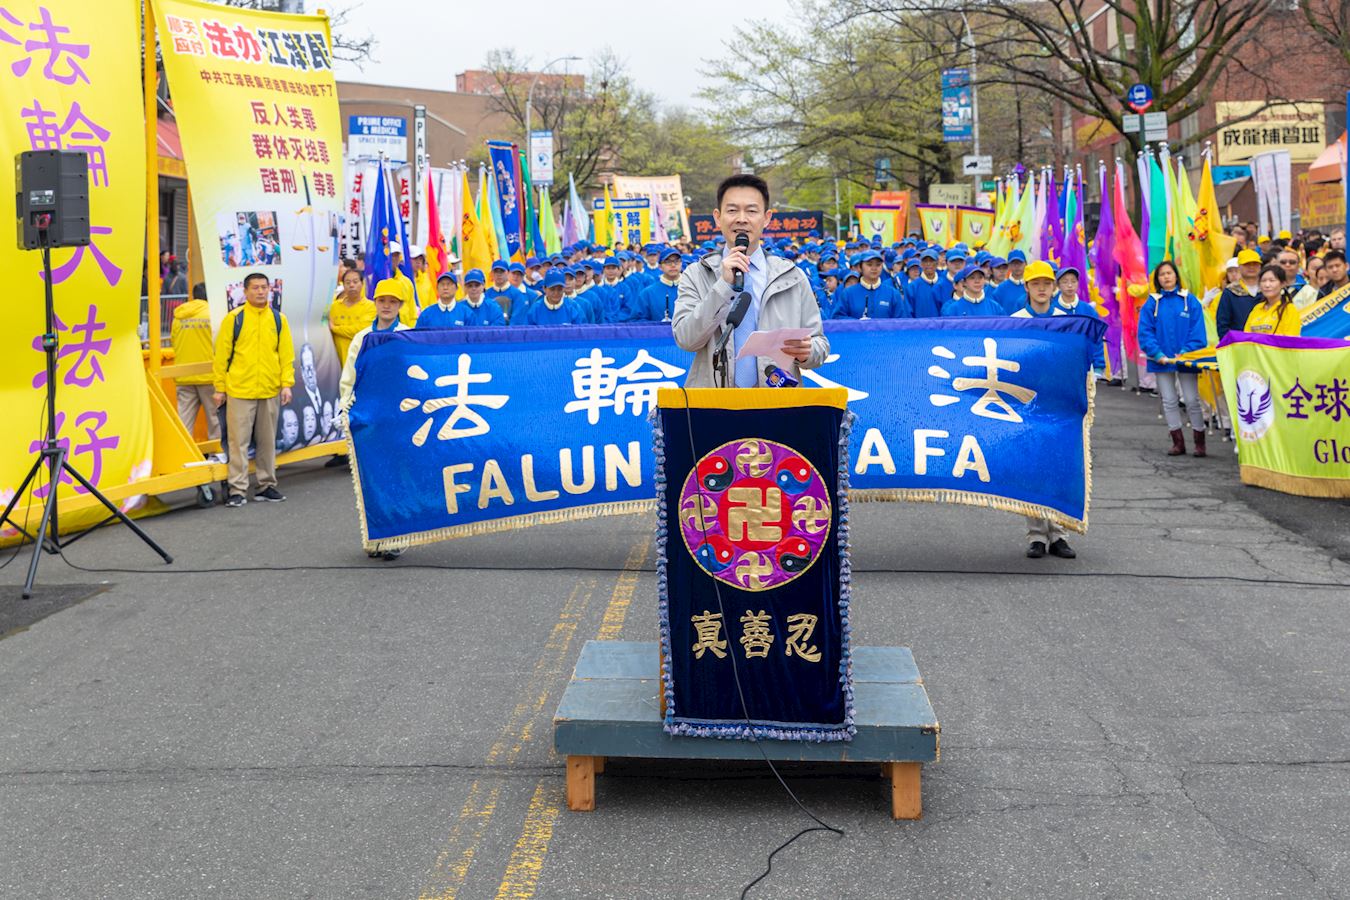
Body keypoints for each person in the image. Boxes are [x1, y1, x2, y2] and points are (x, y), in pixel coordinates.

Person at [672, 174, 826, 387]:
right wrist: (723, 287)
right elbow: (686, 338)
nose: (741, 219)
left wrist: (807, 352)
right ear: (717, 217)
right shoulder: (696, 274)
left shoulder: (791, 277)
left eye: (752, 211)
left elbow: (819, 344)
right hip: (714, 406)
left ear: (767, 217)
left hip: (777, 404)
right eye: (732, 210)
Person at [212, 272, 294, 508]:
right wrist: (220, 388)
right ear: (245, 291)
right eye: (255, 288)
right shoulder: (234, 319)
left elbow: (286, 355)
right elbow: (221, 356)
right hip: (239, 390)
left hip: (269, 389)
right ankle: (237, 489)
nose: (260, 291)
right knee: (238, 442)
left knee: (267, 441)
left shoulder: (279, 320)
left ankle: (266, 485)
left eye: (264, 287)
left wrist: (286, 383)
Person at [1011, 260, 1075, 560]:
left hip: (1059, 403)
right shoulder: (1016, 320)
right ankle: (1037, 534)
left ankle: (1059, 533)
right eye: (1035, 283)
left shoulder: (1066, 321)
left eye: (1046, 283)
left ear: (1054, 287)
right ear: (1026, 287)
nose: (1041, 288)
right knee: (1034, 468)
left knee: (1060, 468)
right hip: (1028, 404)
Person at [1137, 261, 1208, 457]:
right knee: (1169, 400)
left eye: (1169, 273)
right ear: (1157, 279)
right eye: (1162, 274)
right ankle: (1178, 442)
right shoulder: (1152, 302)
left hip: (1185, 359)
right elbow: (1145, 332)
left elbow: (1198, 331)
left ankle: (1199, 441)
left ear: (1176, 276)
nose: (1166, 277)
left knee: (1192, 400)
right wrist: (1157, 353)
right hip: (1161, 360)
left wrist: (1185, 352)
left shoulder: (1190, 301)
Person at [171, 281, 220, 447]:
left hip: (184, 376)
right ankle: (216, 454)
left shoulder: (179, 317)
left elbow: (174, 342)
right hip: (209, 377)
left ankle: (182, 455)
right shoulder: (213, 315)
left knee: (184, 420)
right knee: (214, 419)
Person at [1052, 266, 1105, 374]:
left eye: (1073, 281)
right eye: (1065, 282)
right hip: (1059, 367)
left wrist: (1098, 365)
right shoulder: (1052, 310)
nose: (1070, 285)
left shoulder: (1088, 310)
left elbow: (1097, 339)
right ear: (1058, 285)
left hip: (1085, 366)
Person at [830, 248, 909, 319]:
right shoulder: (848, 293)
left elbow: (901, 321)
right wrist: (857, 324)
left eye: (878, 265)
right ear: (860, 267)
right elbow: (837, 318)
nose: (874, 268)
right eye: (869, 264)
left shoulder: (892, 294)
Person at [1215, 248, 1263, 339]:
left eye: (1255, 264)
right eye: (1247, 264)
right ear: (1239, 267)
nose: (1251, 267)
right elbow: (1222, 324)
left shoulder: (1267, 290)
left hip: (1266, 345)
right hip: (1239, 345)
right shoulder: (1230, 291)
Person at [625, 246, 682, 322]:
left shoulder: (691, 289)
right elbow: (636, 321)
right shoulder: (648, 293)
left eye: (676, 261)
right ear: (660, 266)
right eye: (668, 262)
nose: (673, 265)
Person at [1242, 264, 1301, 337]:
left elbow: (1290, 340)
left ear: (1282, 283)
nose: (1267, 285)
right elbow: (1246, 336)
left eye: (1272, 280)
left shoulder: (1289, 310)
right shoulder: (1257, 308)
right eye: (1263, 281)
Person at [905, 247, 946, 317]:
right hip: (920, 327)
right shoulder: (912, 287)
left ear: (937, 263)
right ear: (921, 264)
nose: (928, 264)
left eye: (931, 261)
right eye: (925, 261)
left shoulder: (944, 284)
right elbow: (908, 313)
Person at [386, 248, 418, 327]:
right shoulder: (374, 280)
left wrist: (411, 331)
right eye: (391, 255)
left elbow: (412, 312)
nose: (394, 259)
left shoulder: (406, 282)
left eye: (396, 256)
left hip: (404, 329)